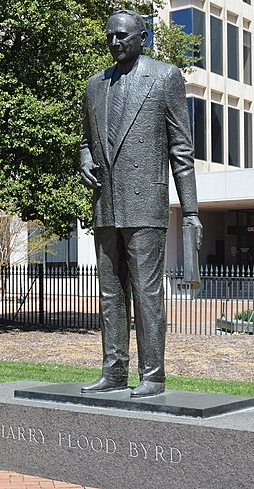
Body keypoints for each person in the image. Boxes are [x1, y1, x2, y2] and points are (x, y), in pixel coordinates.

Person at [79, 9, 202, 398]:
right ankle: (114, 372)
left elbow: (181, 148)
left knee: (147, 294)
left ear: (142, 37)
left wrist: (192, 210)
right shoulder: (95, 86)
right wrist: (84, 160)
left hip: (145, 203)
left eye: (122, 36)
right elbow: (86, 140)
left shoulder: (165, 77)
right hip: (106, 204)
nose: (115, 42)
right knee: (110, 293)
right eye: (110, 36)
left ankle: (154, 375)